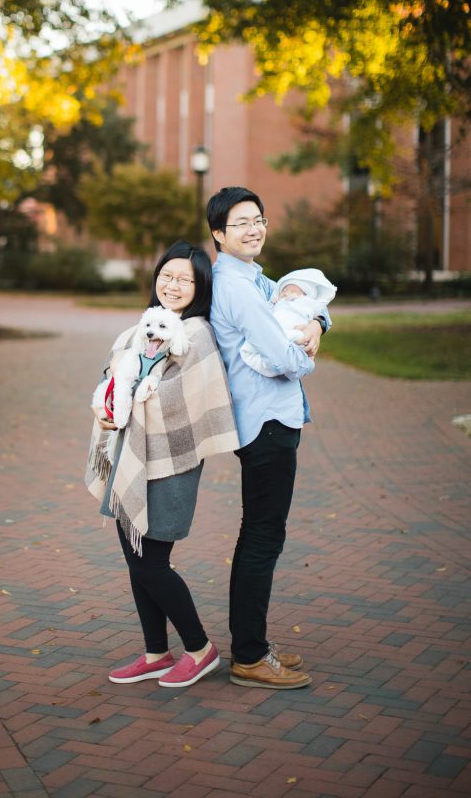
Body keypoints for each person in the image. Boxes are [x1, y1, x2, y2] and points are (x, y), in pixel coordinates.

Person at [86, 240, 239, 689]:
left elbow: (178, 401)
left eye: (185, 279)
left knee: (152, 563)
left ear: (200, 286)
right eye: (166, 276)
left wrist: (132, 396)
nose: (173, 285)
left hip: (170, 462)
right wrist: (106, 403)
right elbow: (114, 377)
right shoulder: (141, 328)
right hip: (126, 454)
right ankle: (156, 651)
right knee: (136, 561)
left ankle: (200, 648)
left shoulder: (197, 335)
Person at [206, 187, 331, 690]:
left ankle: (252, 643)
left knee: (260, 533)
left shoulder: (254, 276)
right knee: (262, 536)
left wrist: (319, 322)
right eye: (241, 223)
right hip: (265, 424)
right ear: (219, 234)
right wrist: (307, 355)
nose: (254, 229)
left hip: (270, 420)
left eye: (258, 219)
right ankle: (250, 655)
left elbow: (306, 301)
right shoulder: (234, 286)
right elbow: (282, 357)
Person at [240, 268, 336, 377]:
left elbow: (321, 310)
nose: (286, 293)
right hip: (276, 334)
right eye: (284, 290)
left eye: (292, 291)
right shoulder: (276, 295)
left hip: (294, 327)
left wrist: (317, 324)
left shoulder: (267, 283)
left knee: (297, 337)